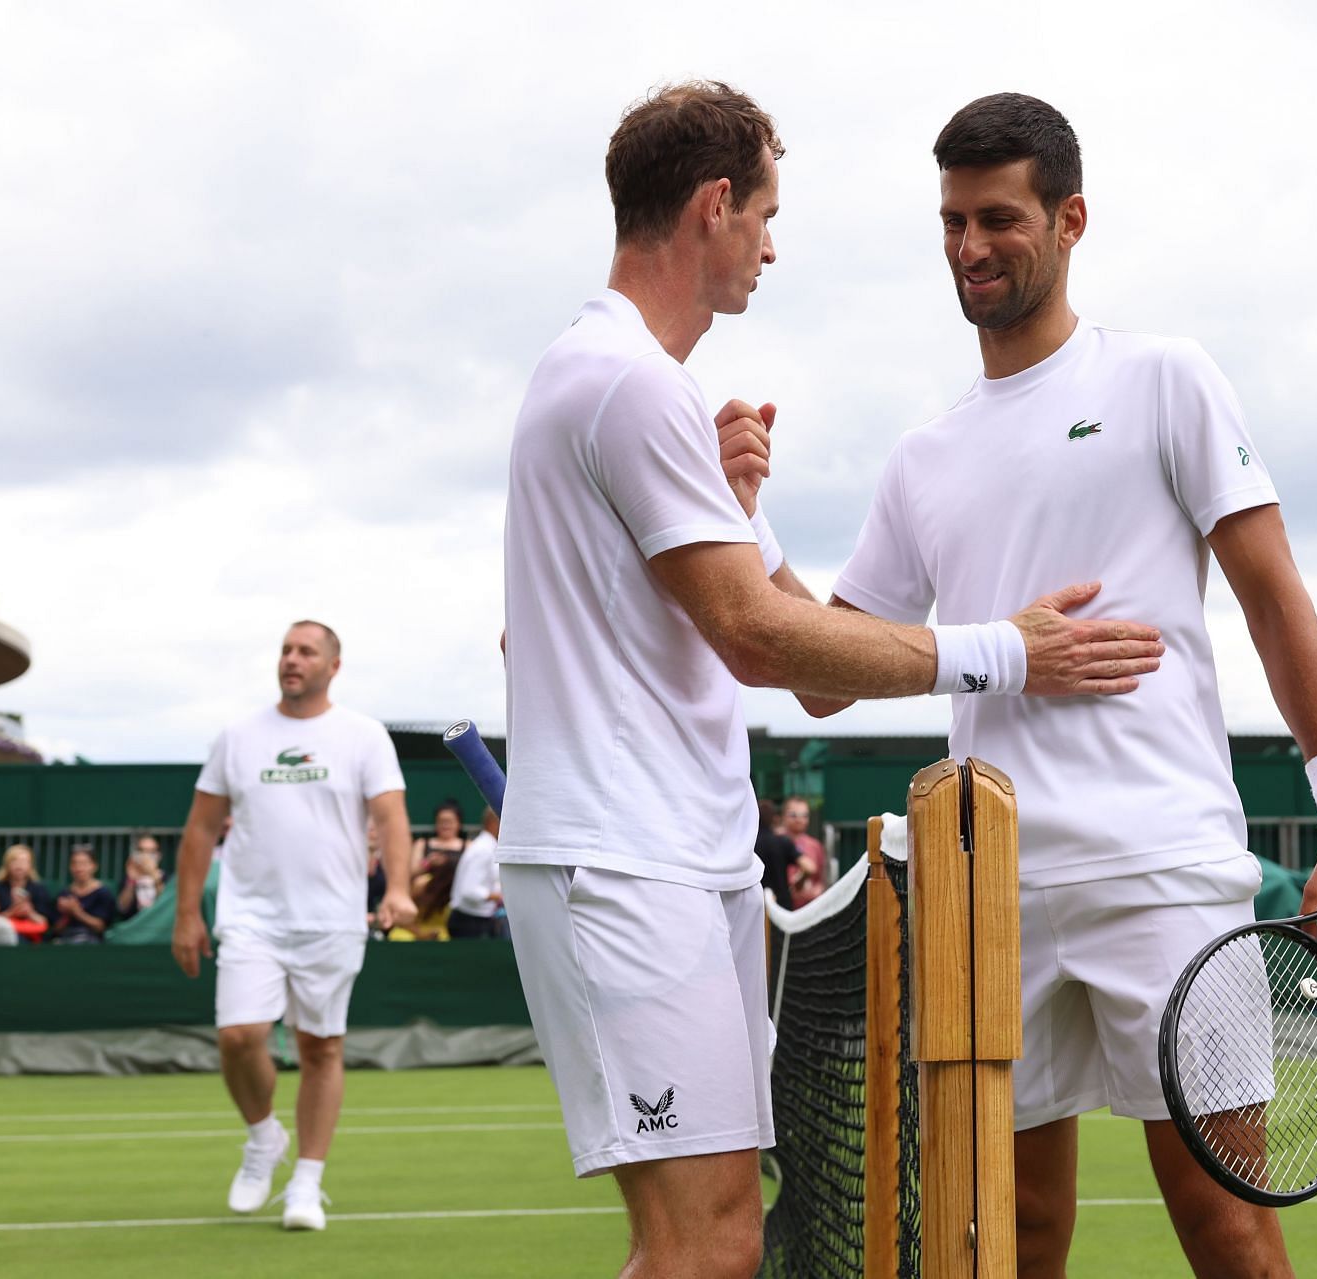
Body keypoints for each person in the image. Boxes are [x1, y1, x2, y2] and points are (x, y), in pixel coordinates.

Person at [494, 83, 1164, 1279]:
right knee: (700, 1246)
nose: (769, 241)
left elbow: (764, 649)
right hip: (624, 864)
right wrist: (1009, 649)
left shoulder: (627, 388)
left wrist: (738, 510)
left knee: (720, 1241)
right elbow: (762, 643)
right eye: (761, 212)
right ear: (712, 206)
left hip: (670, 862)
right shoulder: (631, 382)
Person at [779, 93, 1317, 1278]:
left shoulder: (1167, 378)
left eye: (998, 219)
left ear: (1070, 220)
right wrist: (740, 515)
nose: (970, 249)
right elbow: (820, 672)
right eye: (952, 223)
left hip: (1162, 871)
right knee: (1009, 1237)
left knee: (1228, 1227)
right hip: (984, 896)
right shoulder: (923, 454)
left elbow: (1276, 599)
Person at [170, 620, 415, 1231]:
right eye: (285, 650)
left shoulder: (363, 735)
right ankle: (262, 1139)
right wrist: (186, 913)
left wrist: (403, 889)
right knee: (238, 1036)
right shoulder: (239, 735)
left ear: (333, 665)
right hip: (251, 916)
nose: (291, 659)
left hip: (332, 919)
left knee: (321, 1048)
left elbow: (391, 816)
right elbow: (201, 827)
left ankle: (306, 1183)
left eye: (306, 651)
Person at [449, 808, 504, 939]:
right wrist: (501, 897)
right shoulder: (483, 850)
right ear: (494, 822)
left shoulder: (487, 847)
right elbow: (469, 891)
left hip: (477, 921)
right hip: (469, 925)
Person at [46, 844, 116, 943]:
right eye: (75, 864)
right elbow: (56, 929)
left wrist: (77, 912)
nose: (79, 868)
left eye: (84, 864)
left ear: (94, 866)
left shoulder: (103, 893)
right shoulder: (64, 893)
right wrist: (67, 915)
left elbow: (100, 927)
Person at [0, 845, 52, 943]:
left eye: (23, 861)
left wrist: (29, 912)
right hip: (1, 936)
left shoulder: (39, 889)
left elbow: (45, 922)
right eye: (15, 861)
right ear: (7, 864)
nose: (19, 865)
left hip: (33, 937)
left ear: (30, 865)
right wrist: (11, 912)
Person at [754, 799, 800, 912]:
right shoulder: (782, 842)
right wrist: (798, 883)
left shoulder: (748, 845)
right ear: (775, 818)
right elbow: (809, 867)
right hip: (782, 906)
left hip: (756, 904)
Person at [780, 796, 826, 907]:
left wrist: (816, 891)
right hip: (782, 908)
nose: (799, 819)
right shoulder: (775, 843)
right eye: (793, 815)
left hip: (809, 909)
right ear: (783, 816)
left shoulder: (815, 845)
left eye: (804, 815)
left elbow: (820, 880)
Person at [118, 833, 167, 919]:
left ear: (159, 855)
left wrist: (155, 878)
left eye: (151, 851)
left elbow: (166, 907)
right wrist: (131, 881)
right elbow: (122, 908)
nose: (146, 855)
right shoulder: (128, 878)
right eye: (142, 851)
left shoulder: (166, 878)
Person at [412, 798, 468, 873]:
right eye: (441, 821)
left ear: (459, 823)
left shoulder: (469, 846)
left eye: (450, 822)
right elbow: (411, 872)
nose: (445, 825)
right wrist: (428, 863)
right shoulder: (421, 844)